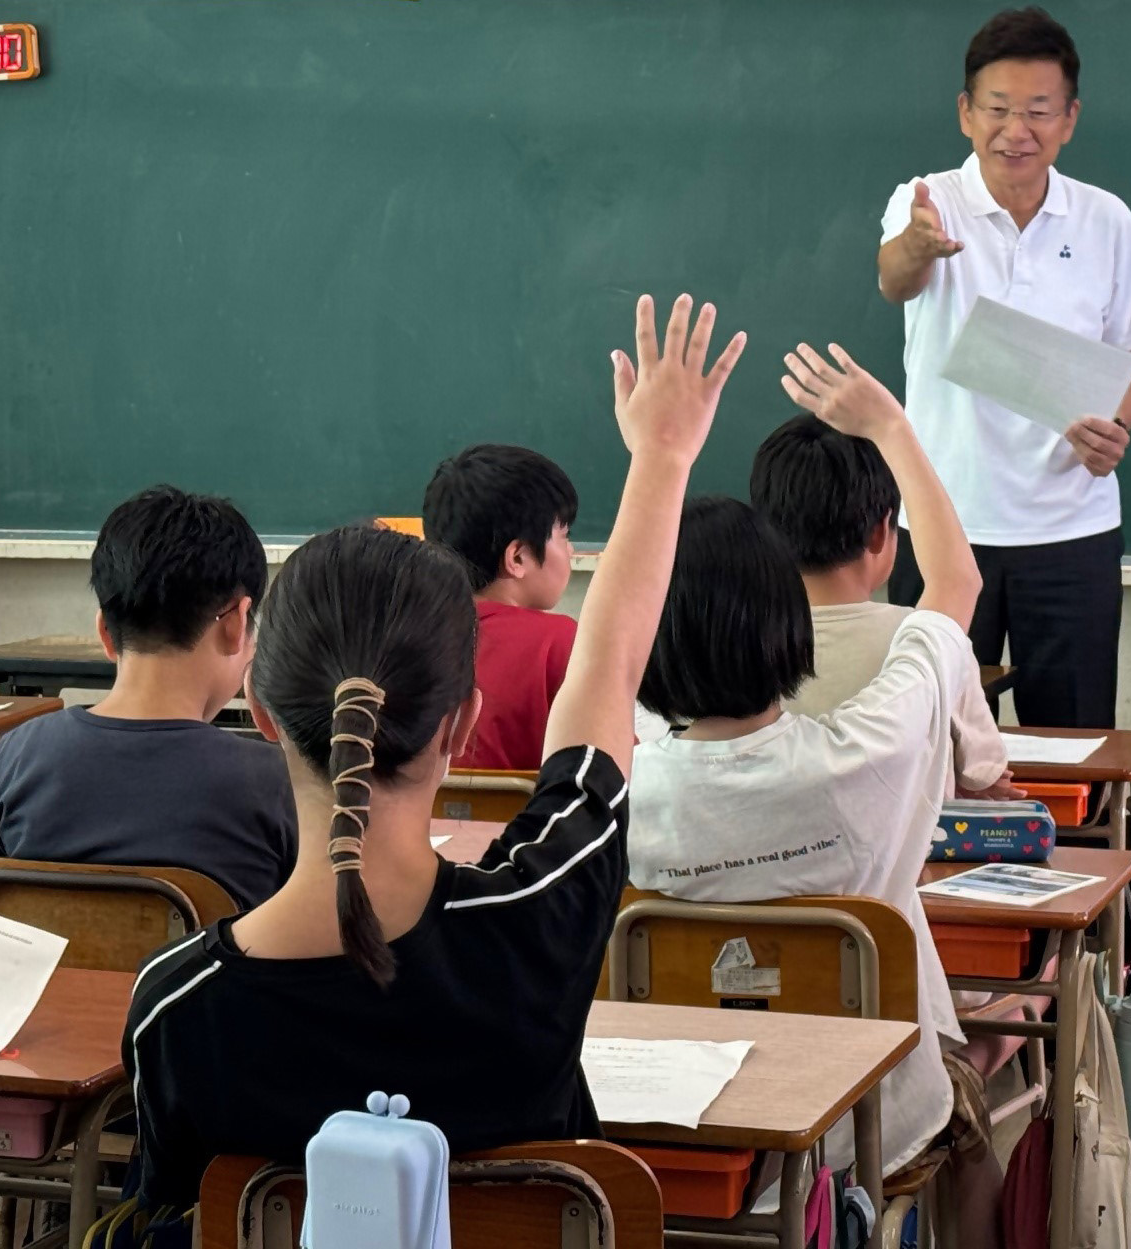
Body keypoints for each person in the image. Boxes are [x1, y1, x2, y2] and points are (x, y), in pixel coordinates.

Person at [121, 295, 746, 1234]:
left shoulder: (176, 1008)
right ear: (462, 724)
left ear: (257, 714)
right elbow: (606, 677)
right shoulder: (537, 919)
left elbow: (167, 1223)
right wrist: (661, 456)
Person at [628, 343, 982, 1180]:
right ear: (788, 628)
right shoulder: (866, 751)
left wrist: (657, 459)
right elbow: (953, 588)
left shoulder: (616, 776)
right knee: (968, 1124)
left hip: (671, 1142)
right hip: (858, 1132)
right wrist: (892, 425)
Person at [876, 6, 1131, 730]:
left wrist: (1116, 424)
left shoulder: (1106, 221)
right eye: (997, 109)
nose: (1016, 129)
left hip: (1072, 532)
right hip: (942, 526)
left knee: (1073, 746)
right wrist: (918, 244)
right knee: (927, 743)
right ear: (965, 113)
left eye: (1038, 110)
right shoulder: (924, 202)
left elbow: (1129, 363)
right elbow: (893, 277)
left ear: (1068, 119)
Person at [0, 485, 298, 909]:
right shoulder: (274, 782)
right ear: (236, 624)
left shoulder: (21, 754)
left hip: (54, 978)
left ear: (104, 632)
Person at [750, 413, 1017, 799]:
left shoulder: (732, 642)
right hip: (913, 858)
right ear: (880, 532)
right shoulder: (926, 640)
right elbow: (982, 772)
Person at [422, 444, 578, 770]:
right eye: (564, 536)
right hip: (528, 821)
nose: (572, 551)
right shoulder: (560, 642)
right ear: (518, 557)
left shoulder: (405, 636)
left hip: (415, 820)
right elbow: (615, 768)